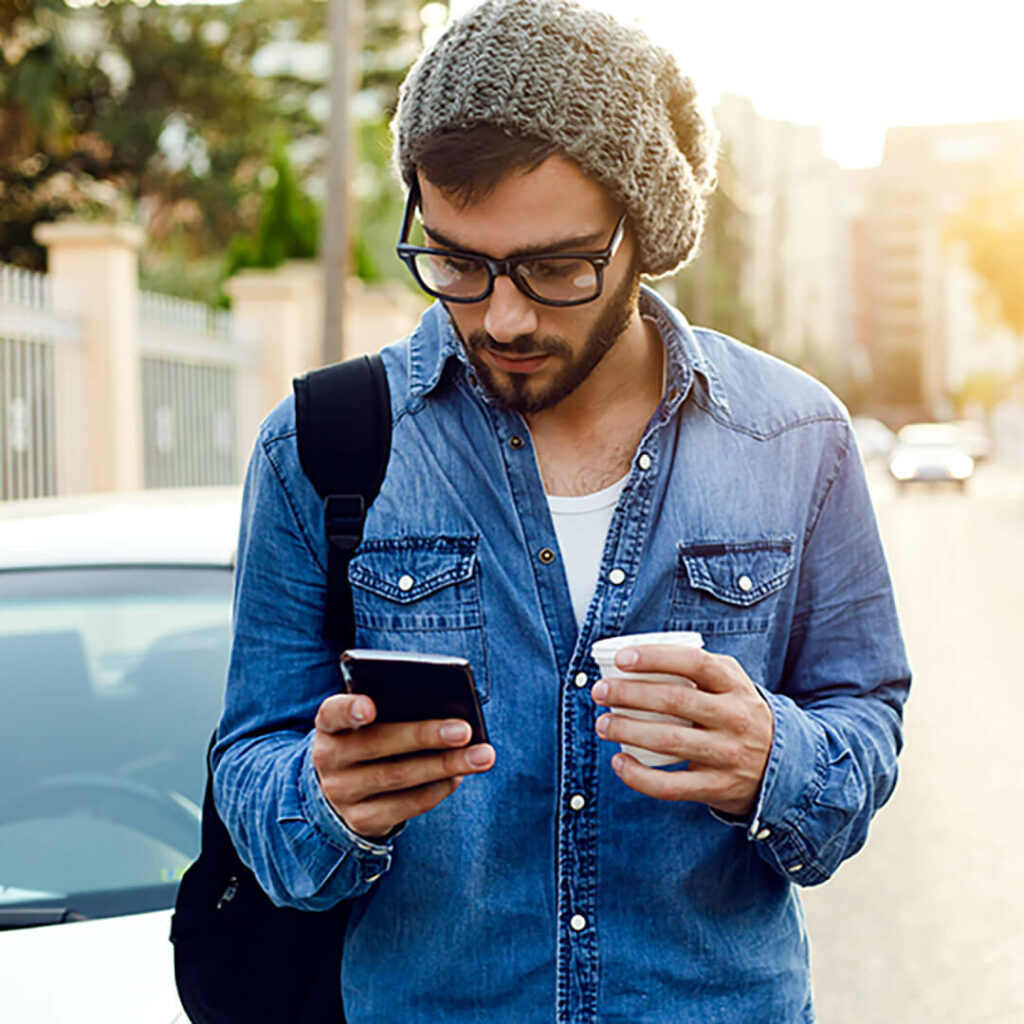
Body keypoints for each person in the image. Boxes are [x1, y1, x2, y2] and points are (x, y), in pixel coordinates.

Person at [213, 1, 911, 1020]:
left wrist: (775, 761)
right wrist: (320, 802)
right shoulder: (317, 447)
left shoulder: (796, 437)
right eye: (456, 261)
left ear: (645, 234)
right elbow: (250, 766)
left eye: (552, 268)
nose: (502, 315)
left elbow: (866, 719)